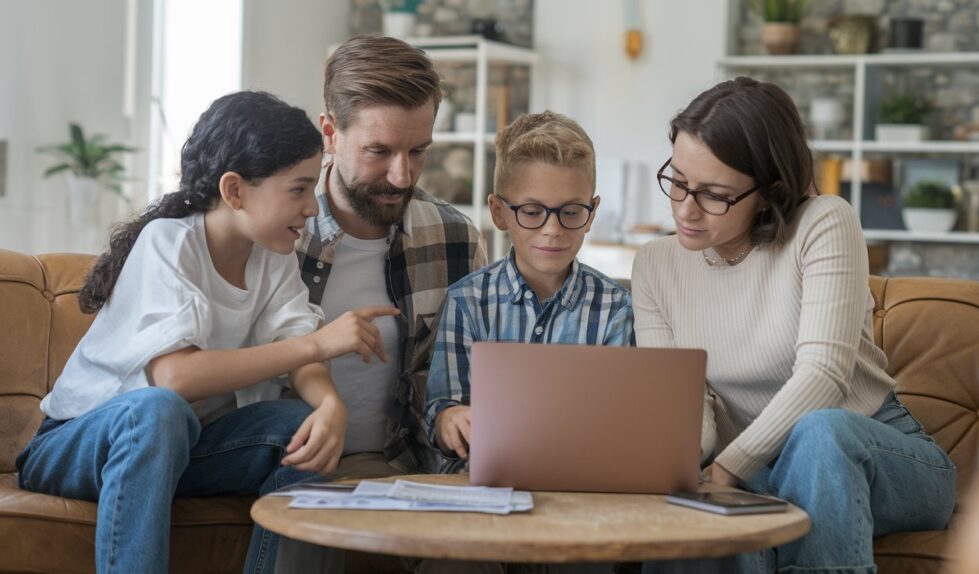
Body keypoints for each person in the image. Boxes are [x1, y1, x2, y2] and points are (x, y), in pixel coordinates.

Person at [14, 91, 398, 574]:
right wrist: (320, 341)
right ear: (235, 190)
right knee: (157, 409)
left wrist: (329, 408)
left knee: (302, 429)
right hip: (74, 448)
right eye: (298, 190)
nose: (310, 207)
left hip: (179, 451)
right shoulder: (170, 243)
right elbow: (175, 377)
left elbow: (296, 348)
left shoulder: (273, 259)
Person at [633, 77, 957, 573]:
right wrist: (682, 471)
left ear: (769, 192)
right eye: (677, 181)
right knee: (697, 517)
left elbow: (823, 375)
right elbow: (680, 397)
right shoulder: (655, 264)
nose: (685, 209)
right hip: (753, 469)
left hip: (871, 450)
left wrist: (725, 469)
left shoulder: (825, 223)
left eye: (714, 195)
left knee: (820, 433)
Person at [295, 34, 488, 479]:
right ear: (330, 134)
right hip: (288, 460)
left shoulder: (455, 238)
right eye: (378, 152)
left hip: (407, 467)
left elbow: (477, 382)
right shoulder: (280, 232)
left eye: (418, 151)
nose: (402, 177)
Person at [425, 110, 635, 472]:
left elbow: (619, 423)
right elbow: (442, 408)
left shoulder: (615, 309)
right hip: (481, 484)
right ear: (499, 212)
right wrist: (449, 419)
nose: (552, 229)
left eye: (571, 212)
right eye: (533, 211)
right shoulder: (467, 302)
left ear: (593, 210)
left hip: (582, 486)